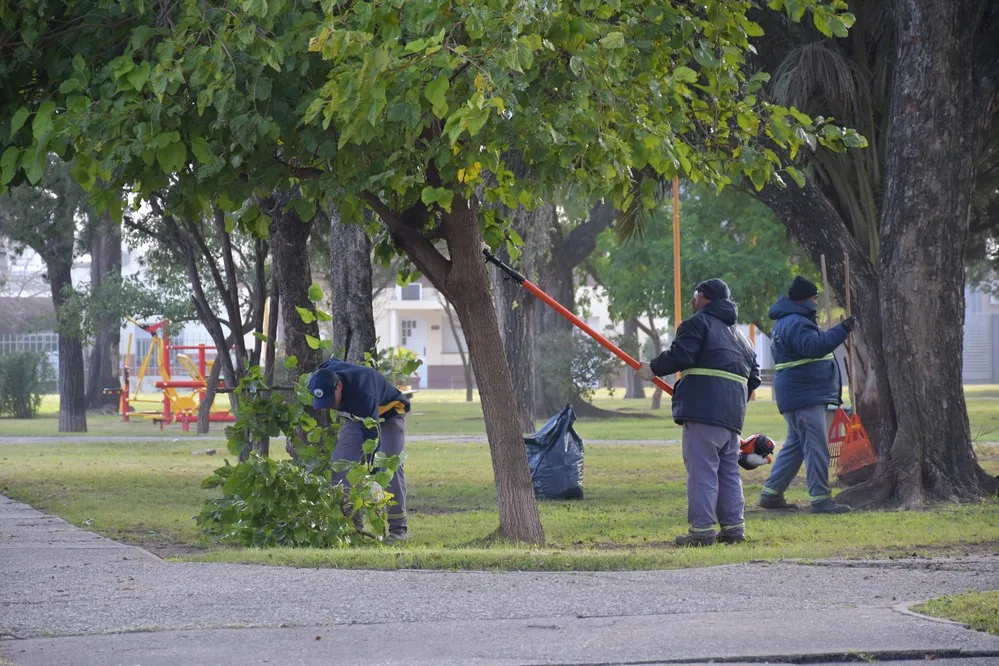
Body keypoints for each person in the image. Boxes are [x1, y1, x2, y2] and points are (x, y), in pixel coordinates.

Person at [637, 278, 761, 547]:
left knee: (703, 471)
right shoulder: (743, 338)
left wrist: (653, 368)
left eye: (695, 295)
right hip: (732, 416)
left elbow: (681, 355)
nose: (692, 301)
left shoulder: (697, 324)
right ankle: (733, 528)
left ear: (706, 298)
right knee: (728, 472)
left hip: (703, 412)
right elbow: (754, 378)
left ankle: (702, 532)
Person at [759, 276, 856, 514]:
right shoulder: (797, 323)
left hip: (797, 395)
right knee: (815, 447)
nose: (816, 303)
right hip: (804, 395)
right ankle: (821, 499)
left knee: (796, 446)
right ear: (803, 300)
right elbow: (814, 347)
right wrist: (842, 330)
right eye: (814, 299)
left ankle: (771, 494)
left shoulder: (788, 321)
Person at [308, 358, 411, 540]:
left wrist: (374, 476)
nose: (329, 405)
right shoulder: (325, 373)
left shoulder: (364, 392)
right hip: (357, 417)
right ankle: (352, 528)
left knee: (388, 467)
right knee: (340, 465)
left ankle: (398, 530)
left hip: (389, 414)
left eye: (330, 399)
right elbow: (327, 363)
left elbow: (372, 436)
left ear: (339, 386)